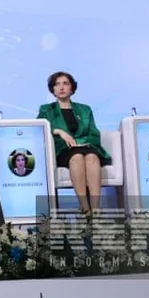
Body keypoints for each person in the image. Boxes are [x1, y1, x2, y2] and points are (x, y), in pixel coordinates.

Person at [37, 72, 110, 213]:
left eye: (65, 83)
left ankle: (96, 210)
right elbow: (39, 128)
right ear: (53, 89)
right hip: (63, 149)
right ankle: (85, 208)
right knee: (77, 157)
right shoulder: (46, 110)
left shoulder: (85, 109)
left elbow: (94, 133)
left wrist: (79, 142)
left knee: (92, 157)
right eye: (57, 84)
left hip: (86, 146)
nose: (61, 87)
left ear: (72, 88)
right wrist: (58, 131)